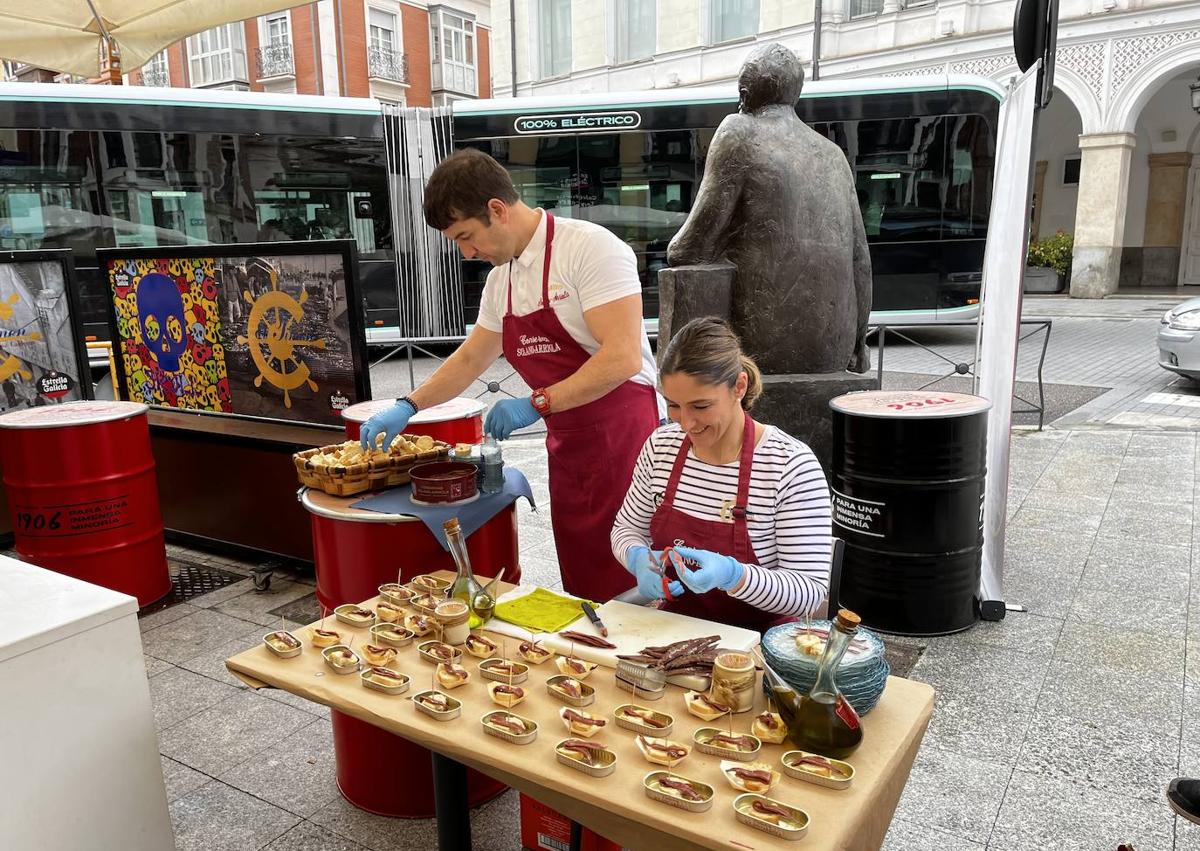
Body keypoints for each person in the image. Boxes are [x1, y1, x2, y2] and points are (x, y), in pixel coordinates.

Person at [360, 148, 662, 602]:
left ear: (497, 210)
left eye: (466, 236)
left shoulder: (591, 249)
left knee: (632, 578)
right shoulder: (501, 281)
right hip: (569, 447)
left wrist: (535, 403)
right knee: (583, 576)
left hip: (626, 443)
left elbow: (622, 358)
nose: (467, 252)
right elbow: (470, 358)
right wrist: (408, 405)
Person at [610, 317, 833, 631]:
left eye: (701, 406)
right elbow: (626, 529)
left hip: (760, 644)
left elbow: (808, 593)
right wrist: (637, 557)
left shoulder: (789, 466)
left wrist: (734, 575)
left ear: (739, 387)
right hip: (675, 630)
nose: (686, 424)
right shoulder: (661, 447)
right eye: (673, 405)